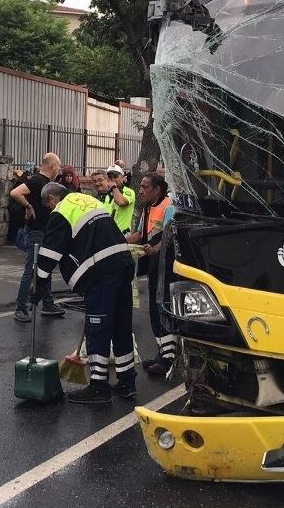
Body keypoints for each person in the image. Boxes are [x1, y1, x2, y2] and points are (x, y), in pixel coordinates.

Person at [35, 182, 135, 403]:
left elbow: (50, 252)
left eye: (49, 206)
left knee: (97, 327)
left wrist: (38, 283)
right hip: (123, 263)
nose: (51, 210)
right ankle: (127, 382)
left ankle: (99, 387)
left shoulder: (62, 210)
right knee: (120, 325)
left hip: (101, 271)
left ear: (52, 198)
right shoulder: (90, 200)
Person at [127, 173, 177, 376]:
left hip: (166, 266)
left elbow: (169, 236)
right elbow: (139, 235)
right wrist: (118, 240)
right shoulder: (148, 209)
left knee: (163, 307)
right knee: (154, 310)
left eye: (145, 187)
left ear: (157, 189)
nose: (141, 191)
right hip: (154, 266)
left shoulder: (168, 207)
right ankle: (161, 353)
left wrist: (155, 249)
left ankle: (168, 359)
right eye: (141, 186)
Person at [9, 152, 66, 322]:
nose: (60, 169)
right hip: (36, 231)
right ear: (53, 166)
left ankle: (47, 303)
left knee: (45, 267)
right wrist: (28, 206)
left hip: (45, 230)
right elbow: (15, 192)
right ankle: (21, 307)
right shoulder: (37, 181)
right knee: (31, 269)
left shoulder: (48, 183)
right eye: (58, 166)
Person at [103, 164, 136, 234]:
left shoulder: (128, 191)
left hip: (122, 233)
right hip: (107, 233)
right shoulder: (107, 194)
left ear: (122, 177)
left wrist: (114, 187)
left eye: (115, 176)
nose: (113, 179)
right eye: (110, 177)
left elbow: (121, 202)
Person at [6, 168, 28, 246]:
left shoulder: (19, 183)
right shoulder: (22, 183)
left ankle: (13, 240)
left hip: (17, 207)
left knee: (15, 226)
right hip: (19, 207)